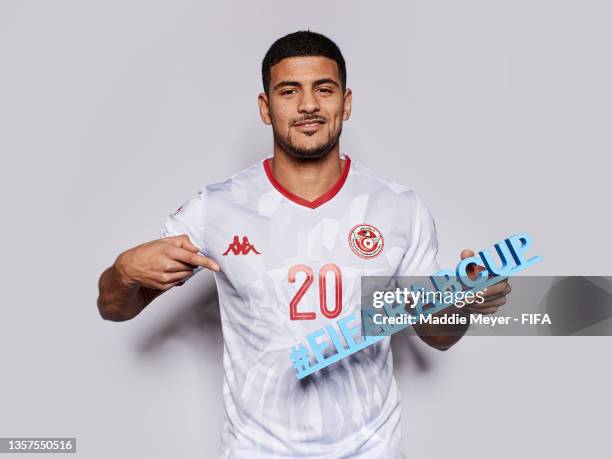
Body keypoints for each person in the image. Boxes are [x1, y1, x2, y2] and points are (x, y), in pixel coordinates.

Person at [97, 30, 510, 459]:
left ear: (345, 103)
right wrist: (122, 272)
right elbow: (114, 307)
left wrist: (460, 300)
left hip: (371, 450)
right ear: (265, 107)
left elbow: (437, 335)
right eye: (289, 90)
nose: (308, 104)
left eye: (324, 89)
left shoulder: (398, 207)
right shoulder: (215, 209)